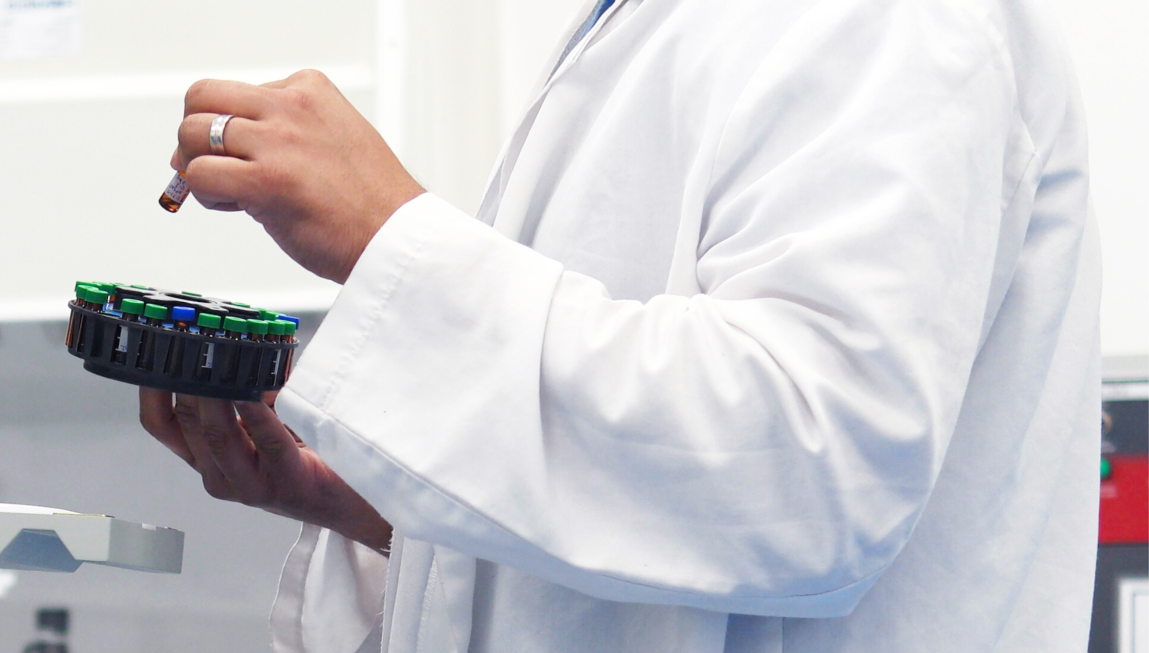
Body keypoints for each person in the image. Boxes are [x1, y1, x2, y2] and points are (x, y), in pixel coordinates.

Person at [136, 0, 1098, 650]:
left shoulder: (885, 20)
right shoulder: (641, 26)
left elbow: (808, 470)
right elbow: (664, 510)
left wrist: (388, 233)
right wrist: (387, 506)